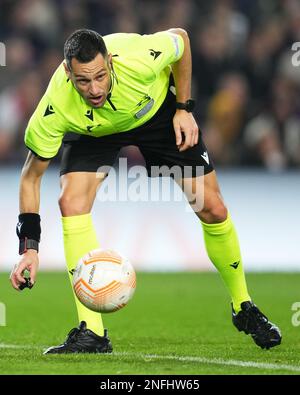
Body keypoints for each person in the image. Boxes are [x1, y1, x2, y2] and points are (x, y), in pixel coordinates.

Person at [10, 28, 281, 354]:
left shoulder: (139, 58)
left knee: (213, 208)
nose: (94, 89)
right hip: (93, 131)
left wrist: (184, 107)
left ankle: (244, 307)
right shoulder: (56, 106)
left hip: (157, 115)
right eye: (83, 81)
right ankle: (92, 333)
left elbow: (181, 40)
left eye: (100, 76)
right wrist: (29, 247)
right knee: (70, 201)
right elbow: (30, 177)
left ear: (110, 62)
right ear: (68, 73)